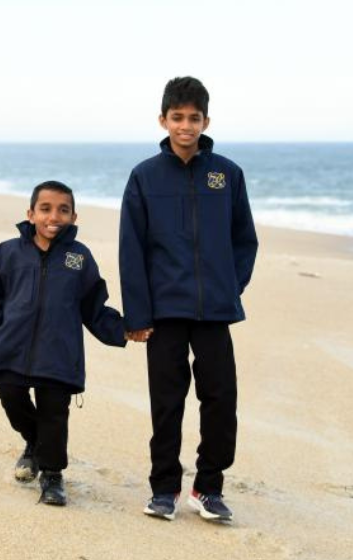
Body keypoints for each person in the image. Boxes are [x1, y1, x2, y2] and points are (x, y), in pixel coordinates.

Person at [119, 76, 258, 522]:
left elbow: (245, 240)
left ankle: (209, 488)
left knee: (221, 397)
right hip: (164, 310)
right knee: (167, 399)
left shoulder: (227, 174)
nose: (185, 125)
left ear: (205, 121)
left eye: (193, 118)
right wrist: (137, 313)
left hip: (215, 310)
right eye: (177, 117)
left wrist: (228, 287)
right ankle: (164, 489)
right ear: (163, 120)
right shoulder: (144, 176)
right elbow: (131, 249)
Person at [0, 180, 127, 506]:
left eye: (63, 210)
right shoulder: (3, 254)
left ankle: (52, 476)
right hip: (10, 350)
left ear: (73, 216)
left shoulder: (79, 258)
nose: (54, 216)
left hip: (59, 352)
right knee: (10, 395)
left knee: (55, 412)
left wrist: (125, 330)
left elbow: (93, 306)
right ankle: (34, 443)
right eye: (46, 208)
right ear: (30, 213)